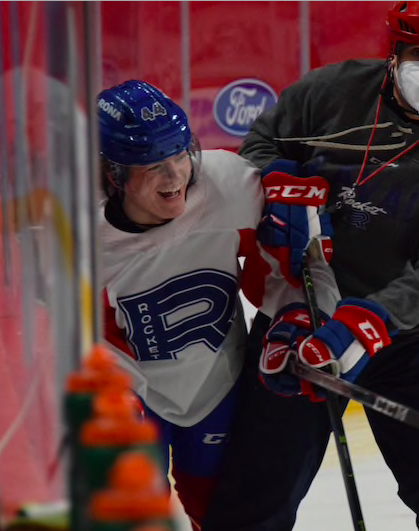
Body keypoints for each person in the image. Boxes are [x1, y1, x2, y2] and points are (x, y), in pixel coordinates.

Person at [205, 2, 419, 531]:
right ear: (393, 53)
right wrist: (273, 180)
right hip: (298, 320)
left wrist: (370, 320)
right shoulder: (331, 89)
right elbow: (258, 146)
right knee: (255, 496)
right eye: (417, 52)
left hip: (405, 334)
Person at [97, 80, 338, 530]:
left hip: (213, 385)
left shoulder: (229, 188)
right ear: (114, 174)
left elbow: (299, 267)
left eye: (180, 156)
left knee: (221, 514)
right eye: (152, 166)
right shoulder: (72, 228)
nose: (174, 179)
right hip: (124, 389)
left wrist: (302, 314)